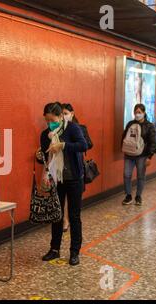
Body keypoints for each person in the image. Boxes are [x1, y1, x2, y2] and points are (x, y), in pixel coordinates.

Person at [36, 102, 88, 266]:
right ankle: (54, 249)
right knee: (56, 215)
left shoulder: (72, 128)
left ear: (60, 117)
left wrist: (63, 145)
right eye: (47, 120)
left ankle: (74, 252)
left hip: (74, 178)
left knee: (74, 216)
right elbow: (46, 157)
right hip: (57, 179)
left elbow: (83, 145)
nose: (50, 123)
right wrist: (45, 172)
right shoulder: (46, 134)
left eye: (52, 119)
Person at [61, 103, 93, 232]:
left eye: (65, 113)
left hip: (76, 167)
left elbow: (88, 144)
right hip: (62, 168)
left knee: (74, 201)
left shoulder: (80, 128)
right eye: (61, 113)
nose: (63, 116)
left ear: (72, 113)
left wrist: (73, 145)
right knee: (63, 198)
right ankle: (65, 219)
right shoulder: (59, 128)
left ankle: (69, 218)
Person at [121, 104, 156, 206]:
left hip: (142, 155)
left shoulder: (149, 126)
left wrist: (149, 156)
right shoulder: (130, 124)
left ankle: (138, 196)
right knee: (126, 175)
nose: (137, 114)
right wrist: (122, 148)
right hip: (129, 154)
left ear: (144, 113)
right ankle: (128, 195)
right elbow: (124, 137)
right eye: (136, 112)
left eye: (139, 112)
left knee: (140, 176)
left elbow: (152, 142)